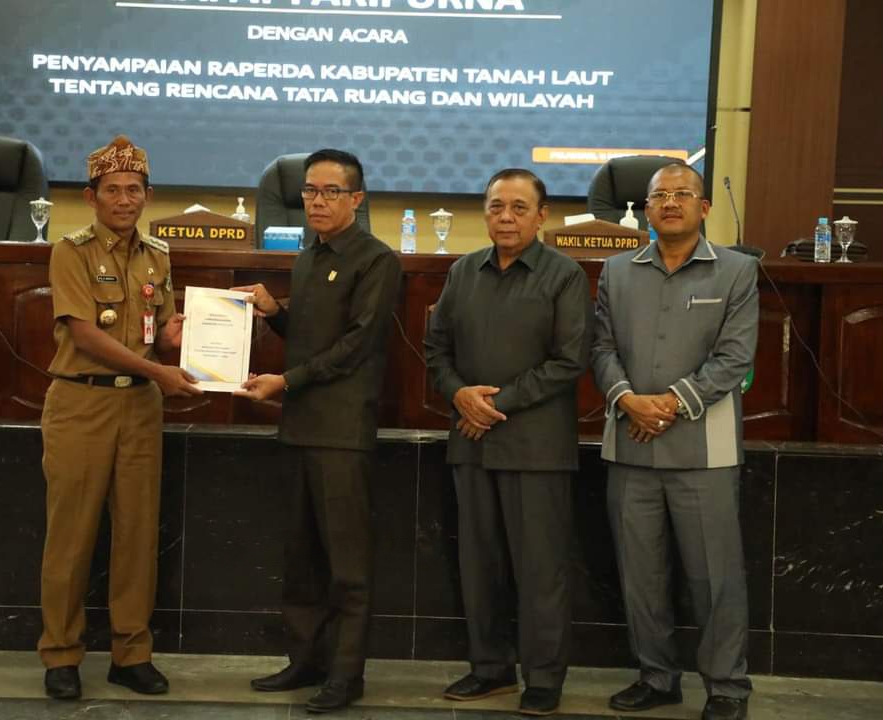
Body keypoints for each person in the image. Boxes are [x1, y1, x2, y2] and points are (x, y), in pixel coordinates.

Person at [233, 149, 402, 714]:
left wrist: (286, 380)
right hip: (300, 426)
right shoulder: (308, 258)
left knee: (347, 564)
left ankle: (346, 675)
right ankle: (305, 660)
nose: (317, 201)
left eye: (330, 192)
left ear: (356, 199)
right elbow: (308, 333)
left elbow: (357, 345)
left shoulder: (376, 260)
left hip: (342, 432)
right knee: (301, 557)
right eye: (310, 191)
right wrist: (272, 312)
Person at [591, 163, 758, 720]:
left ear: (703, 207)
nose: (669, 203)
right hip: (630, 447)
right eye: (658, 195)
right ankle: (657, 677)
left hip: (704, 454)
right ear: (644, 206)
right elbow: (601, 349)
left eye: (682, 194)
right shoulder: (616, 271)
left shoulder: (737, 271)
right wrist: (628, 399)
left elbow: (734, 359)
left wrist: (665, 405)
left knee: (715, 577)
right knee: (641, 576)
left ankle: (727, 688)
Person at [37, 135, 201, 700]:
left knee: (136, 534)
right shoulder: (71, 250)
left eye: (135, 189)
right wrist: (160, 373)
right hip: (82, 403)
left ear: (147, 195)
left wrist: (199, 333)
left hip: (140, 408)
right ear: (91, 196)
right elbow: (83, 334)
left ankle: (131, 653)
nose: (125, 199)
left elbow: (163, 330)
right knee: (72, 536)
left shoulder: (158, 255)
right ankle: (61, 654)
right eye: (113, 190)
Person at [424, 168, 591, 716]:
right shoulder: (462, 271)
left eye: (520, 208)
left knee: (540, 570)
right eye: (497, 206)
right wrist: (460, 395)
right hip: (470, 444)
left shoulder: (564, 275)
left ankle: (542, 677)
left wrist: (493, 406)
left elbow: (569, 361)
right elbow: (436, 350)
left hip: (535, 448)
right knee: (480, 565)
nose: (506, 217)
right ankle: (489, 669)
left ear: (542, 216)